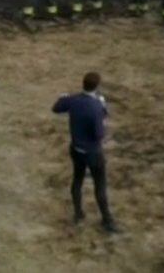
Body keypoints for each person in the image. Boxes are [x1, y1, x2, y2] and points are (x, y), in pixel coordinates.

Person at [52, 72, 119, 233]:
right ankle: (107, 221)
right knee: (100, 186)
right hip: (93, 153)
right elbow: (99, 134)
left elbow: (56, 108)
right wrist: (103, 111)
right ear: (97, 87)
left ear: (83, 84)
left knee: (77, 180)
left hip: (76, 150)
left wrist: (63, 98)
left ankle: (78, 213)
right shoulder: (96, 107)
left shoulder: (74, 100)